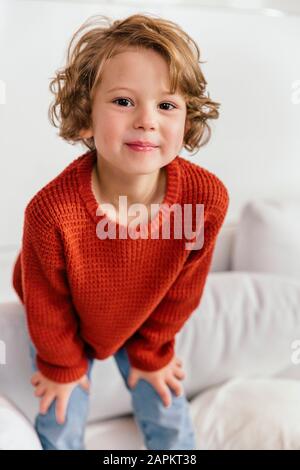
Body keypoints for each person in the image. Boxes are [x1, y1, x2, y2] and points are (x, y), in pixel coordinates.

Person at [12, 13, 229, 450]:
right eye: (124, 101)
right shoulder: (52, 212)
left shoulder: (205, 200)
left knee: (168, 411)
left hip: (143, 319)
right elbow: (45, 299)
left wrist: (151, 354)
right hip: (66, 319)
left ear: (186, 121)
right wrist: (62, 366)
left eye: (166, 105)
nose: (147, 120)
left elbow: (183, 291)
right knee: (60, 416)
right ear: (85, 117)